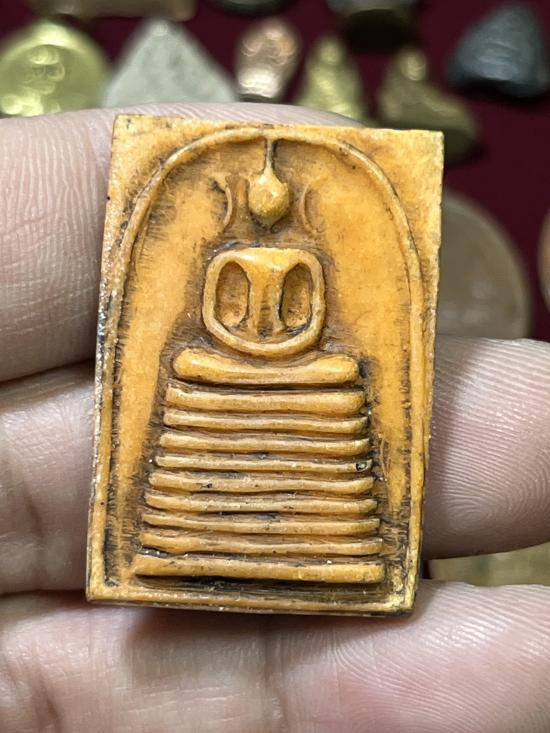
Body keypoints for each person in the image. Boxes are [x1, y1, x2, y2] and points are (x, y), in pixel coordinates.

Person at [0, 103, 549, 732]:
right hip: (201, 442)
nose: (261, 320)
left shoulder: (324, 344)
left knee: (333, 385)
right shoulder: (200, 352)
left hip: (319, 446)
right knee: (199, 381)